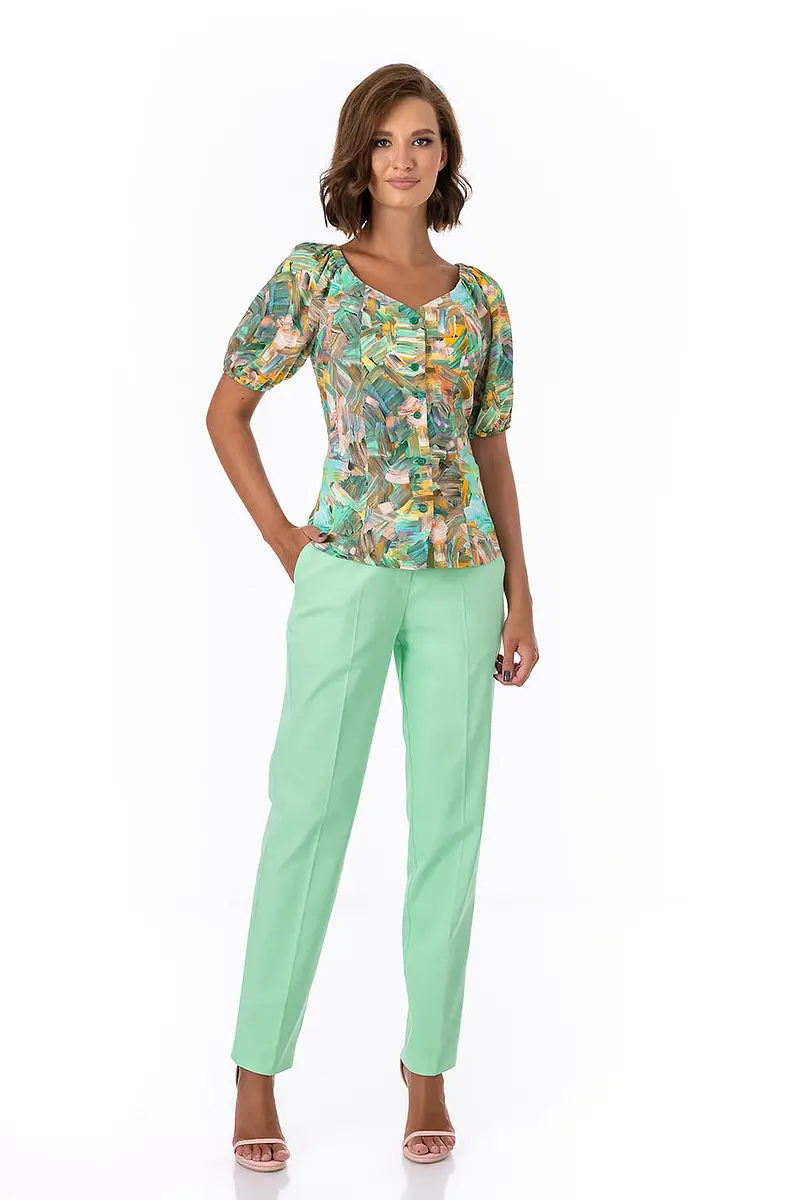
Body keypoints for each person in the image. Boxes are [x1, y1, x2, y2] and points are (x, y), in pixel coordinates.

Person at [206, 61, 539, 1173]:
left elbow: (491, 448)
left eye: (424, 139)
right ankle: (257, 1069)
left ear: (446, 159)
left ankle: (427, 1066)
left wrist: (521, 594)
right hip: (346, 570)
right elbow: (228, 409)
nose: (405, 158)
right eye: (387, 140)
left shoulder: (480, 299)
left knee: (449, 822)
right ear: (359, 155)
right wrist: (282, 539)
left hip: (461, 579)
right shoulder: (315, 279)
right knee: (307, 814)